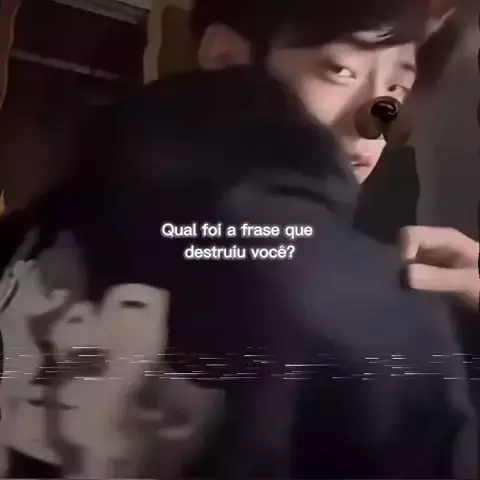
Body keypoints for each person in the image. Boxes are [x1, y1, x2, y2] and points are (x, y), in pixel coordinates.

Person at [0, 1, 477, 479]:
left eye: (396, 89)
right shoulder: (382, 323)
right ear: (227, 57)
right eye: (340, 70)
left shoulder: (36, 234)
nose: (372, 121)